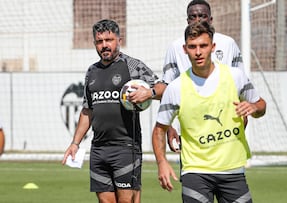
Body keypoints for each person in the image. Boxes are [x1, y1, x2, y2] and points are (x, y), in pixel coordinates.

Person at [152, 21, 266, 203]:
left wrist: (254, 108)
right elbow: (159, 129)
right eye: (192, 47)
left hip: (232, 171)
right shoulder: (176, 88)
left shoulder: (235, 76)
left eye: (203, 46)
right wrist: (162, 163)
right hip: (196, 171)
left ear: (213, 47)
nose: (198, 52)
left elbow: (261, 105)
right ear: (184, 49)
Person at [62, 19, 159, 203]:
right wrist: (75, 143)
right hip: (98, 149)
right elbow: (87, 111)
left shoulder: (132, 66)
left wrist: (149, 92)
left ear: (119, 40)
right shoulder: (92, 71)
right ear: (95, 44)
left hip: (126, 147)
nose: (104, 45)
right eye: (99, 41)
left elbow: (162, 87)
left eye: (109, 40)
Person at [158, 0, 246, 152]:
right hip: (190, 129)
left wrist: (244, 114)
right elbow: (167, 88)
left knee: (227, 170)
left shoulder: (228, 43)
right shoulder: (175, 47)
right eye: (193, 17)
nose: (197, 20)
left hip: (225, 129)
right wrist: (169, 126)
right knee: (192, 172)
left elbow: (241, 84)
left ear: (210, 19)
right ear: (187, 21)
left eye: (202, 16)